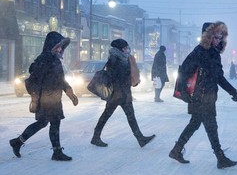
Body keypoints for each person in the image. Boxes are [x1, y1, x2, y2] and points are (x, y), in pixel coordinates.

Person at [169, 21, 237, 169]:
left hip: (208, 95)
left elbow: (218, 77)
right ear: (207, 36)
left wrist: (232, 90)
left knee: (195, 124)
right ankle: (220, 158)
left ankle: (176, 150)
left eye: (221, 37)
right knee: (211, 126)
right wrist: (183, 92)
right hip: (199, 97)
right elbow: (184, 71)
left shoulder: (214, 54)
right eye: (216, 36)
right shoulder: (199, 52)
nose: (218, 39)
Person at [9, 31, 79, 161]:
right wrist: (35, 99)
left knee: (43, 123)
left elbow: (61, 80)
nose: (60, 49)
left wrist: (70, 93)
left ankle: (18, 142)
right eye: (58, 46)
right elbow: (35, 81)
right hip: (46, 99)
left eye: (61, 47)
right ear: (51, 46)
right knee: (51, 123)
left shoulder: (55, 61)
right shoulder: (44, 60)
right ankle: (56, 152)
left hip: (54, 99)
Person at [91, 38, 155, 148]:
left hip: (122, 94)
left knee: (127, 116)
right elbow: (116, 77)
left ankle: (140, 138)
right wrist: (130, 74)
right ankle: (96, 137)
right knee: (109, 115)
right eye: (125, 48)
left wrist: (133, 77)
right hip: (117, 95)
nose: (127, 50)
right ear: (120, 49)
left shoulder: (123, 59)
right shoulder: (115, 60)